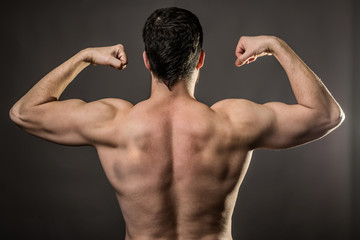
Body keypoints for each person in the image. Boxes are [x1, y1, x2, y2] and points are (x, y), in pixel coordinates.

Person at [9, 7, 344, 240]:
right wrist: (276, 45)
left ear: (146, 61)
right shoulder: (234, 122)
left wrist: (83, 57)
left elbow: (24, 112)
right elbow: (327, 115)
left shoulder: (113, 121)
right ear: (200, 59)